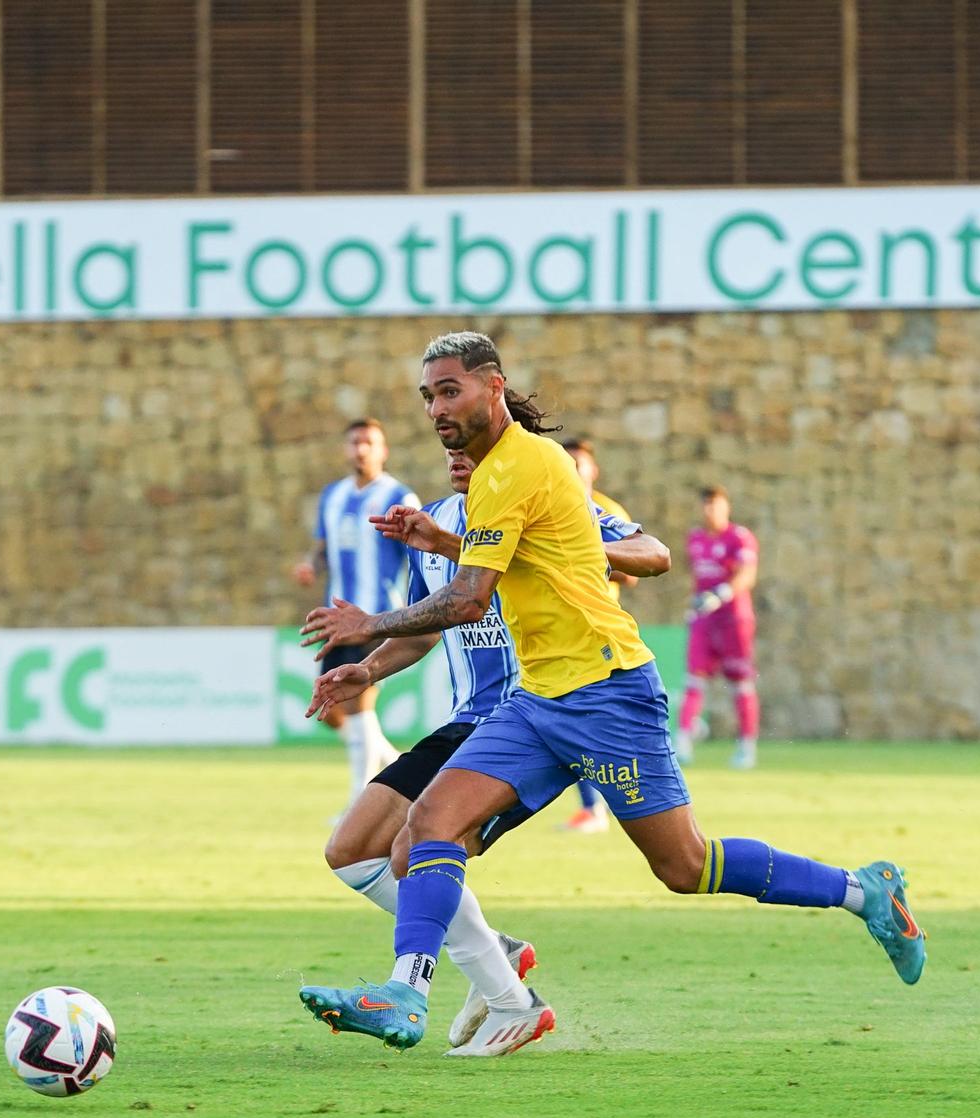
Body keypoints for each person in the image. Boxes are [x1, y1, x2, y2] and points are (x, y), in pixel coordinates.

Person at [298, 331, 923, 1052]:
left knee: (685, 865)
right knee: (427, 827)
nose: (436, 409)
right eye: (428, 396)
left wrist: (370, 625)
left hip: (608, 694)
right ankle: (407, 993)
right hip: (537, 698)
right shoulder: (493, 478)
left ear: (493, 387)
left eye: (449, 391)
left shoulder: (522, 467)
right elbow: (498, 571)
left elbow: (473, 599)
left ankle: (864, 890)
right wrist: (426, 572)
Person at [309, 443, 670, 1055]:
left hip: (532, 717)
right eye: (449, 446)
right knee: (349, 851)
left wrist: (577, 551)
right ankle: (493, 954)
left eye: (471, 444)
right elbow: (427, 625)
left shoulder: (549, 508)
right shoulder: (430, 521)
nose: (458, 454)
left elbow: (653, 553)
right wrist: (366, 670)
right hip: (466, 720)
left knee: (413, 851)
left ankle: (494, 998)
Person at [292, 418, 419, 801]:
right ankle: (397, 768)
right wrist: (311, 565)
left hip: (376, 619)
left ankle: (358, 803)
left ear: (383, 450)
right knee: (331, 710)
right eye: (354, 442)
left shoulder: (399, 497)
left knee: (358, 705)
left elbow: (419, 557)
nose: (361, 449)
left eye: (369, 442)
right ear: (346, 449)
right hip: (337, 620)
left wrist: (413, 611)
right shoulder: (332, 496)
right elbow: (322, 548)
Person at [560, 437, 634, 831]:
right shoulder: (550, 507)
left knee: (585, 724)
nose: (573, 469)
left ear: (594, 470)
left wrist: (583, 560)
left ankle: (599, 808)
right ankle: (593, 807)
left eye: (580, 463)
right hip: (558, 631)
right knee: (574, 724)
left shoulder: (608, 512)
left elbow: (634, 570)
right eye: (567, 462)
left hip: (598, 632)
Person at [679, 485, 761, 769]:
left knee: (740, 682)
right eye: (706, 505)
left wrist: (721, 594)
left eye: (714, 505)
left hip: (734, 619)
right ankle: (683, 742)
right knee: (694, 679)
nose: (709, 510)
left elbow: (747, 575)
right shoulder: (696, 538)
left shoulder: (739, 538)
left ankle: (746, 746)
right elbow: (698, 578)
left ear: (726, 508)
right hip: (704, 619)